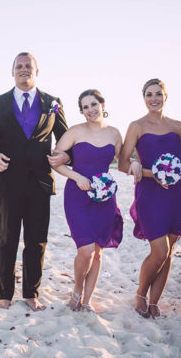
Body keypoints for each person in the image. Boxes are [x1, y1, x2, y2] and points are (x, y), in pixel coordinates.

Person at [0, 52, 68, 311]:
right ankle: (5, 295)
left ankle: (31, 293)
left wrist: (66, 154)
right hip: (8, 180)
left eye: (28, 66)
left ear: (37, 71)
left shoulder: (52, 102)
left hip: (40, 181)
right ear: (12, 72)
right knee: (6, 238)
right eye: (18, 66)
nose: (23, 70)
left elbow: (65, 137)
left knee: (36, 240)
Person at [118, 79, 181, 318]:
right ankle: (140, 293)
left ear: (166, 96)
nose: (154, 98)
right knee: (159, 250)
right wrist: (146, 170)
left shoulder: (179, 127)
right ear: (144, 98)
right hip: (150, 192)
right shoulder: (136, 126)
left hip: (178, 193)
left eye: (158, 94)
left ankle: (154, 301)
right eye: (149, 94)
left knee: (169, 251)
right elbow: (122, 162)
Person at [51, 89, 123, 313]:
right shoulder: (75, 131)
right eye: (85, 107)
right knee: (85, 250)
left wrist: (137, 164)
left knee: (98, 251)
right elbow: (54, 160)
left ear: (102, 104)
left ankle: (87, 300)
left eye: (93, 104)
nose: (90, 110)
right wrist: (77, 176)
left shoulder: (114, 133)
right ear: (81, 111)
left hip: (104, 197)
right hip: (77, 195)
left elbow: (122, 162)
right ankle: (76, 290)